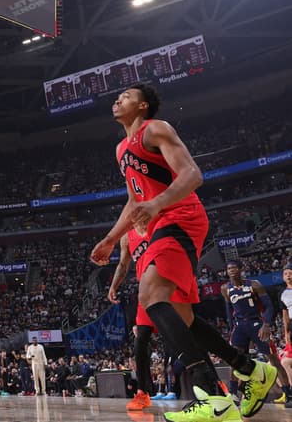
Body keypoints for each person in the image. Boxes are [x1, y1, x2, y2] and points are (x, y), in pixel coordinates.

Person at [90, 83, 276, 422]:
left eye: (127, 96)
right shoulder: (121, 149)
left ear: (143, 105)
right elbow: (135, 200)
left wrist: (158, 203)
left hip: (181, 216)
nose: (118, 99)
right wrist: (110, 238)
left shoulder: (155, 129)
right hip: (161, 222)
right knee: (184, 320)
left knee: (150, 296)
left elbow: (193, 174)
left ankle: (212, 396)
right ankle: (252, 370)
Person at [221, 260, 289, 399]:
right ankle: (233, 394)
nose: (231, 270)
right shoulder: (225, 289)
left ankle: (288, 392)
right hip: (239, 327)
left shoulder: (254, 285)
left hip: (257, 324)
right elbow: (229, 312)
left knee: (273, 359)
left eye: (234, 267)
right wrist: (230, 328)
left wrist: (266, 324)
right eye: (229, 269)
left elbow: (269, 307)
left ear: (241, 269)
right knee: (235, 359)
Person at [108, 228, 157, 410]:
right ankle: (142, 392)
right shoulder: (127, 238)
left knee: (180, 337)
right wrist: (114, 286)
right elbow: (122, 264)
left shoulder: (156, 222)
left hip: (165, 284)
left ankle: (212, 386)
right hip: (144, 291)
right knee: (140, 342)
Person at [280, 263, 292, 408]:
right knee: (285, 363)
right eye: (286, 273)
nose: (288, 275)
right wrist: (286, 332)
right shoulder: (282, 294)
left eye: (290, 272)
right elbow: (285, 316)